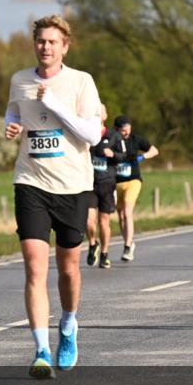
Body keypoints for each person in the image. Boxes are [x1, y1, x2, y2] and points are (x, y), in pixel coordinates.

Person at [5, 15, 103, 378]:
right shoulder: (20, 80)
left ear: (65, 46)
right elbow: (14, 110)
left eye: (52, 42)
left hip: (73, 186)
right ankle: (41, 350)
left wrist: (59, 106)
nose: (45, 47)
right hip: (30, 182)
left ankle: (67, 324)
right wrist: (9, 126)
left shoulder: (80, 82)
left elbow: (92, 135)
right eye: (40, 41)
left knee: (68, 267)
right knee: (34, 266)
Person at [108, 115, 159, 262]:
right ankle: (129, 242)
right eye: (124, 131)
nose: (127, 133)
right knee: (121, 216)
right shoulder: (111, 140)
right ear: (116, 129)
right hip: (115, 182)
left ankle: (127, 246)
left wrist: (143, 157)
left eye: (128, 130)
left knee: (127, 212)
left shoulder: (136, 139)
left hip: (133, 181)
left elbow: (155, 150)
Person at [86, 105, 116, 269]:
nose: (97, 113)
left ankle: (104, 254)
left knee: (104, 221)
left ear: (105, 115)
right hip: (89, 183)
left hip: (107, 183)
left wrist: (113, 155)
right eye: (95, 110)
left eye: (100, 111)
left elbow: (124, 156)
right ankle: (92, 244)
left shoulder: (113, 135)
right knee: (89, 222)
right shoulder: (86, 134)